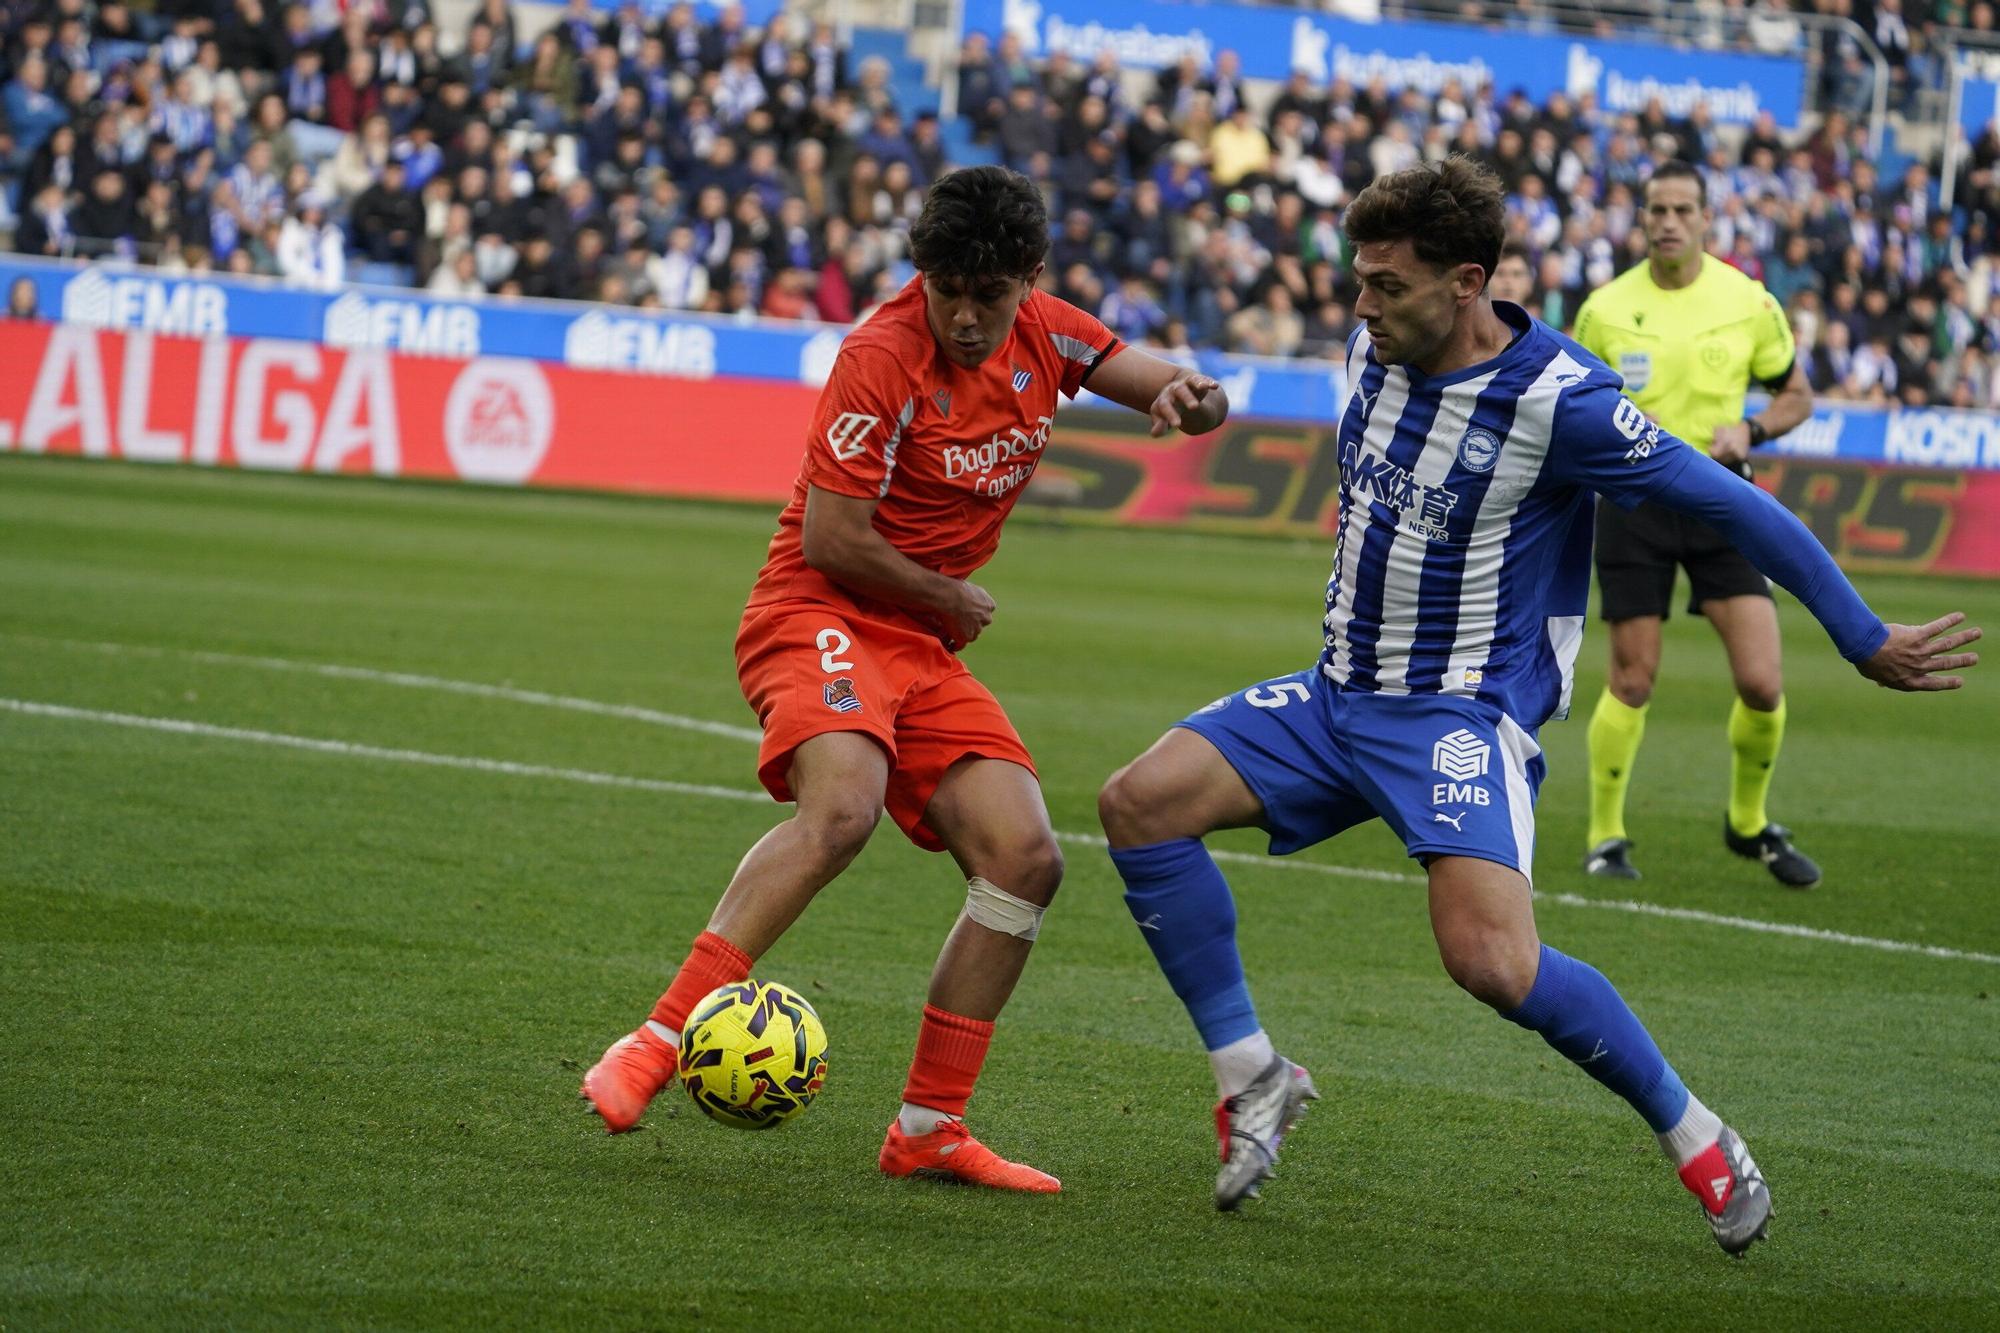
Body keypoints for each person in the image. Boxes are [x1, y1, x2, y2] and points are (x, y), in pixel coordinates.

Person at [1094, 158, 1978, 1246]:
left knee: (1490, 963)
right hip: (1334, 695)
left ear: (1464, 281)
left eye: (1387, 286)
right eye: (1357, 280)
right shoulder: (1369, 340)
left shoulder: (1561, 402)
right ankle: (1254, 1076)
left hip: (1454, 719)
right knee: (1137, 804)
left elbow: (1729, 504)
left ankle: (1697, 1132)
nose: (1361, 307)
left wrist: (1859, 635)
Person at [580, 165, 1230, 1191]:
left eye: (989, 296)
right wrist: (945, 595)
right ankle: (652, 1043)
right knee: (844, 807)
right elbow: (835, 541)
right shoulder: (879, 355)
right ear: (920, 275)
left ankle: (929, 1125)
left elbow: (1169, 389)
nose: (966, 319)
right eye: (947, 293)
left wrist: (1195, 398)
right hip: (819, 610)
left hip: (917, 641)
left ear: (1029, 279)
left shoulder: (1050, 331)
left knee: (1023, 858)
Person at [1571, 161, 1823, 886]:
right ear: (1641, 218)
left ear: (1707, 218)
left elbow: (1796, 394)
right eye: (1657, 209)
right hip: (1634, 506)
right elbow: (1577, 404)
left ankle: (1747, 822)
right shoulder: (1606, 308)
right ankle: (1606, 835)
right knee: (1634, 677)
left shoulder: (1747, 301)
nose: (1669, 221)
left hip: (1722, 500)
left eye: (1683, 208)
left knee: (1762, 682)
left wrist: (1752, 428)